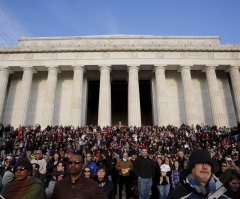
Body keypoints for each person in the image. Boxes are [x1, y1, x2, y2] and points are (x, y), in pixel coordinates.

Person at [167, 149, 233, 199]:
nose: (205, 167)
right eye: (200, 163)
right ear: (191, 167)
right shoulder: (176, 196)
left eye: (208, 163)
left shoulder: (227, 194)